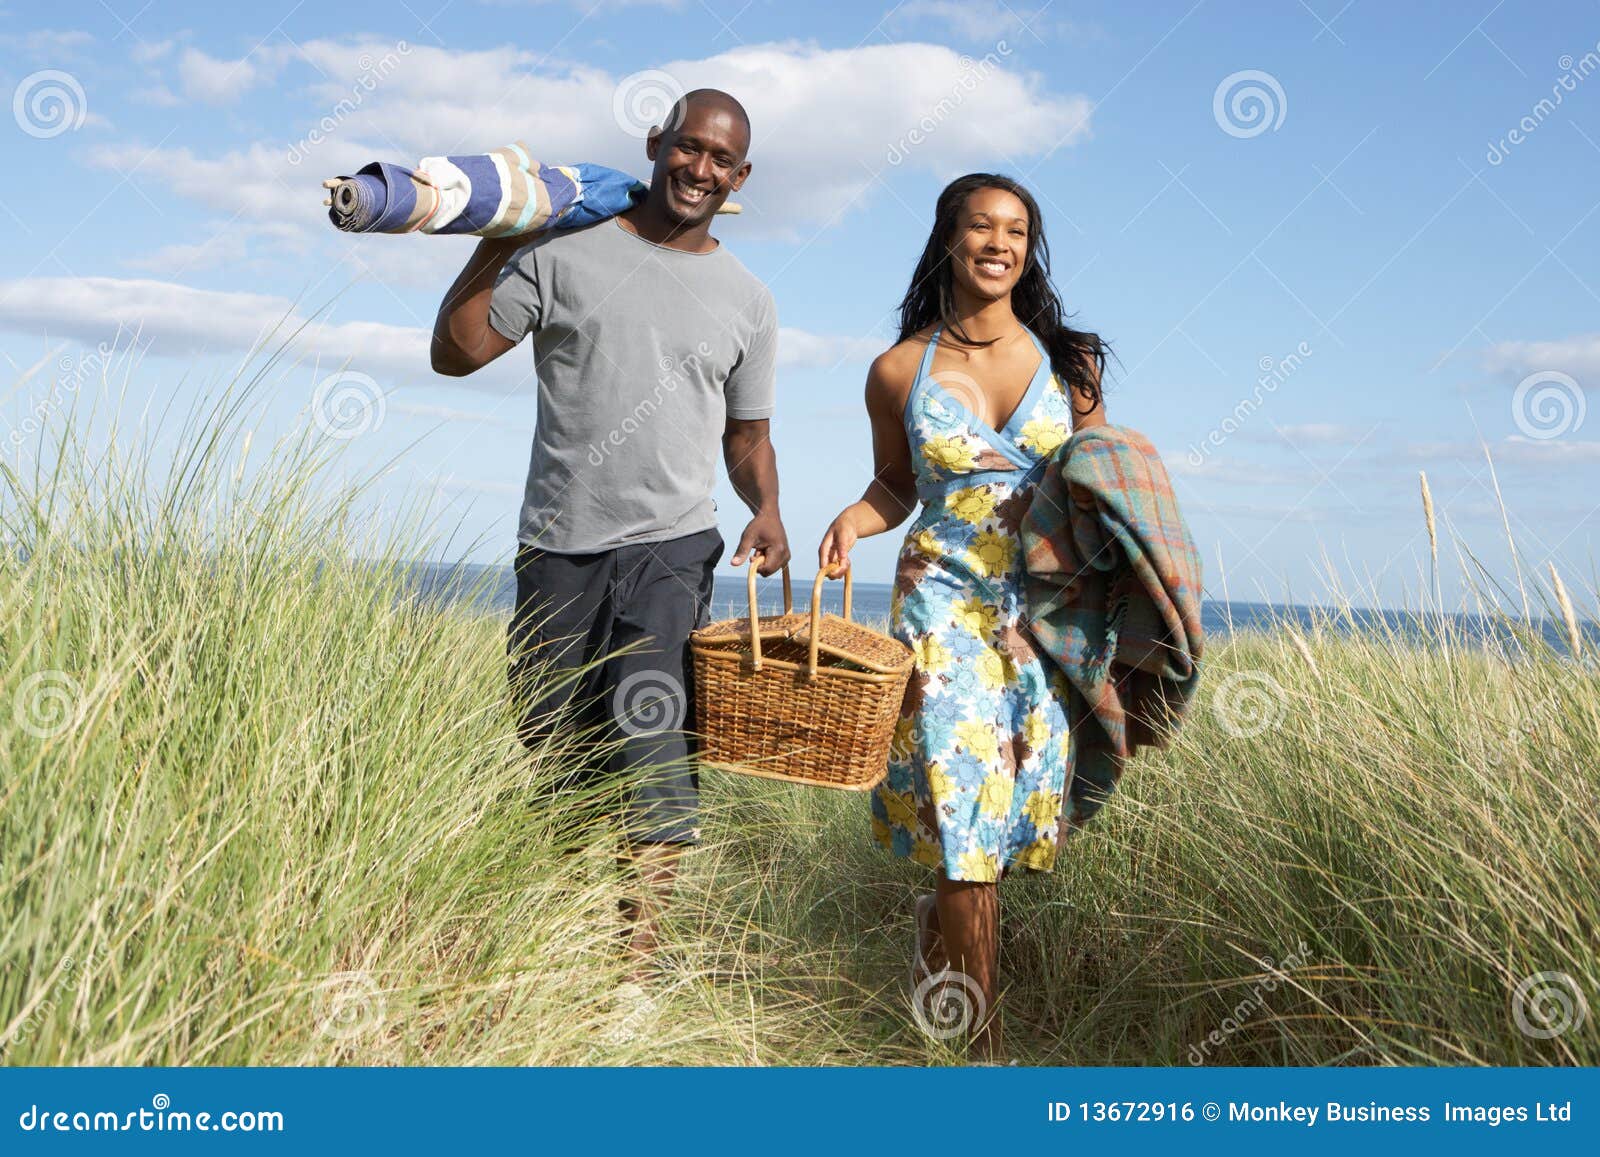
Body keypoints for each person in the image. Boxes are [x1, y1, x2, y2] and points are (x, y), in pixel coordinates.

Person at [430, 88, 790, 992]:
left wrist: (769, 507)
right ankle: (561, 941)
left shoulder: (749, 299)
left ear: (740, 177)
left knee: (653, 739)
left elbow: (745, 438)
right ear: (656, 143)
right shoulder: (565, 252)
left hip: (674, 548)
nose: (700, 170)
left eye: (721, 160)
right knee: (558, 749)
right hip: (557, 547)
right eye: (688, 149)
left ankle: (634, 972)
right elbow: (458, 352)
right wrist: (501, 230)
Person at [818, 173, 1108, 1061]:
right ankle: (981, 1048)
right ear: (948, 237)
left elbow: (1103, 486)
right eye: (980, 225)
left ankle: (936, 939)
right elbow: (896, 486)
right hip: (940, 606)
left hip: (1038, 616)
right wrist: (850, 522)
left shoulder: (1072, 365)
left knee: (1008, 812)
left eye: (1016, 230)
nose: (999, 242)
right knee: (964, 818)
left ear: (1030, 248)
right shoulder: (899, 369)